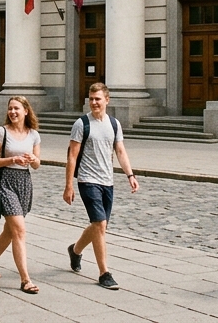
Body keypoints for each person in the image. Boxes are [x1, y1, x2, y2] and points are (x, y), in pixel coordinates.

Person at [64, 83, 138, 291]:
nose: (94, 102)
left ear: (107, 100)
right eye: (91, 98)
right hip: (88, 180)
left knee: (100, 225)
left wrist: (130, 175)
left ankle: (76, 250)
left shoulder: (114, 124)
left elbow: (120, 151)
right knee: (99, 224)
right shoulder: (81, 124)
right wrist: (69, 185)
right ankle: (104, 273)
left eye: (98, 98)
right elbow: (72, 156)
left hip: (108, 181)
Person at [0, 96, 42, 294]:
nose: (13, 112)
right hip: (5, 182)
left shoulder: (33, 134)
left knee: (10, 231)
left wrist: (33, 159)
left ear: (26, 111)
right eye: (10, 108)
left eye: (16, 108)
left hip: (24, 183)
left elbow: (36, 165)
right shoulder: (2, 132)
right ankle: (25, 280)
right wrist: (12, 159)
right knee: (19, 230)